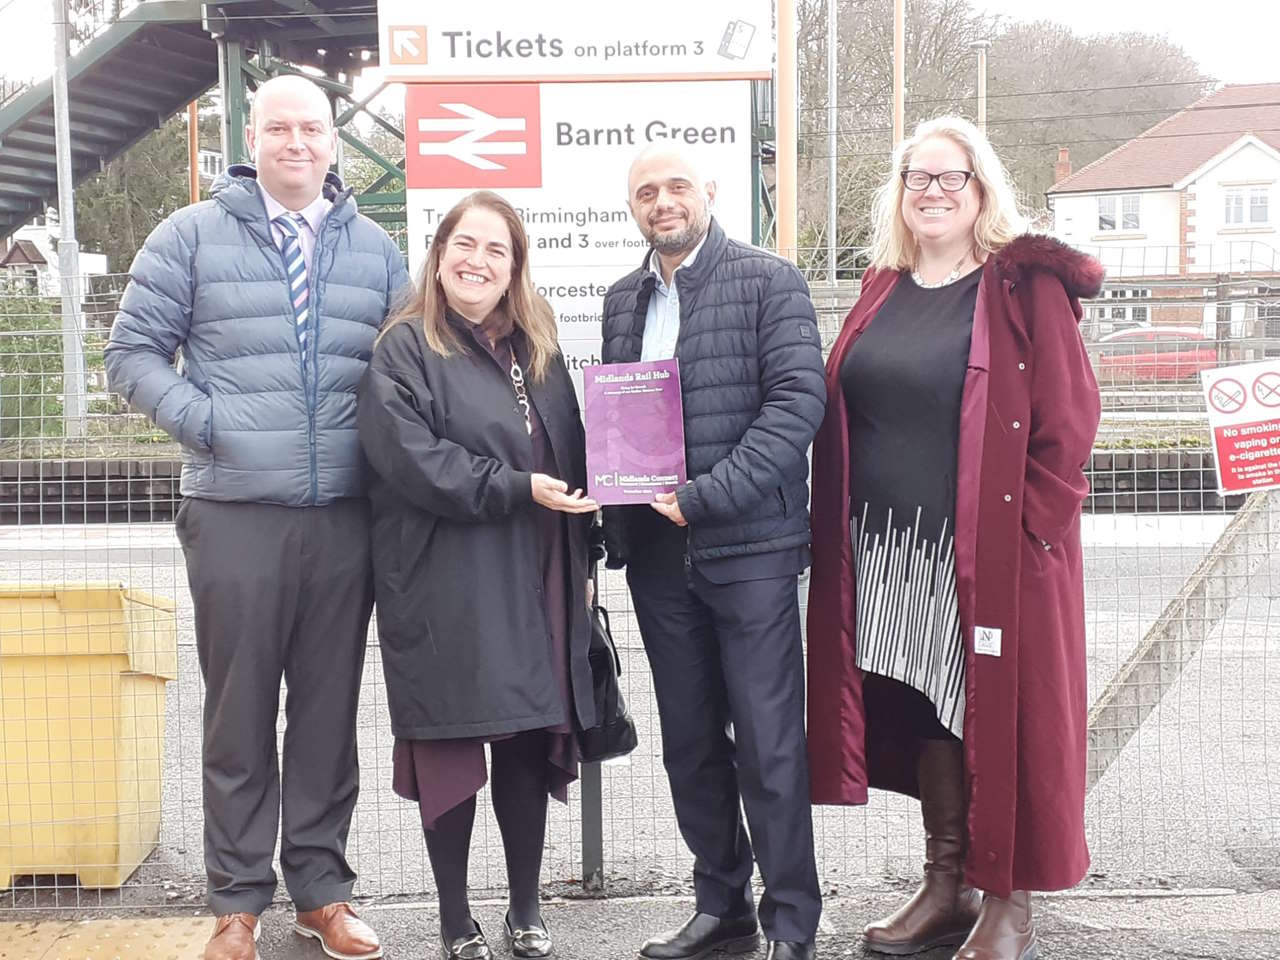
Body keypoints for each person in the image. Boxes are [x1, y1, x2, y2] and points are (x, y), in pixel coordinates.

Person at [105, 74, 408, 960]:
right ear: (253, 136)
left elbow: (406, 371)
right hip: (234, 511)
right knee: (237, 713)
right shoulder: (190, 236)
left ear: (331, 142)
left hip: (346, 514)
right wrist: (212, 426)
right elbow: (131, 353)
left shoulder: (378, 251)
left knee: (327, 709)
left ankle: (323, 891)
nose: (299, 144)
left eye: (313, 128)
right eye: (281, 129)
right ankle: (237, 899)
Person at [805, 115, 1103, 960]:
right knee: (936, 706)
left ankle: (1009, 900)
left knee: (1001, 718)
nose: (932, 193)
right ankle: (948, 884)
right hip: (891, 554)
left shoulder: (1020, 286)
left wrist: (1032, 533)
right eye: (918, 179)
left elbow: (1069, 422)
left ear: (982, 193)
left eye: (951, 178)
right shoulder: (882, 285)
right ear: (898, 195)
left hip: (992, 558)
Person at [356, 190, 598, 960]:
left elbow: (573, 452)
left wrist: (588, 550)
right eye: (466, 244)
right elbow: (411, 461)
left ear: (516, 267)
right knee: (453, 747)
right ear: (439, 252)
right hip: (444, 576)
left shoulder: (539, 347)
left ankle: (525, 910)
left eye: (497, 250)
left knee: (526, 740)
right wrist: (514, 486)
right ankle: (455, 918)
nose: (478, 261)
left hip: (536, 572)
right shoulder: (404, 346)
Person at [600, 146, 827, 960]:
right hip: (661, 558)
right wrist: (613, 506)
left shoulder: (769, 281)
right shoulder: (622, 299)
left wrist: (706, 496)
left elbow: (798, 405)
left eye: (676, 187)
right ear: (634, 207)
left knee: (769, 744)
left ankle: (792, 922)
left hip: (750, 548)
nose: (663, 202)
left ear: (710, 195)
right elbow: (621, 420)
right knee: (690, 741)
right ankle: (721, 905)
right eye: (646, 192)